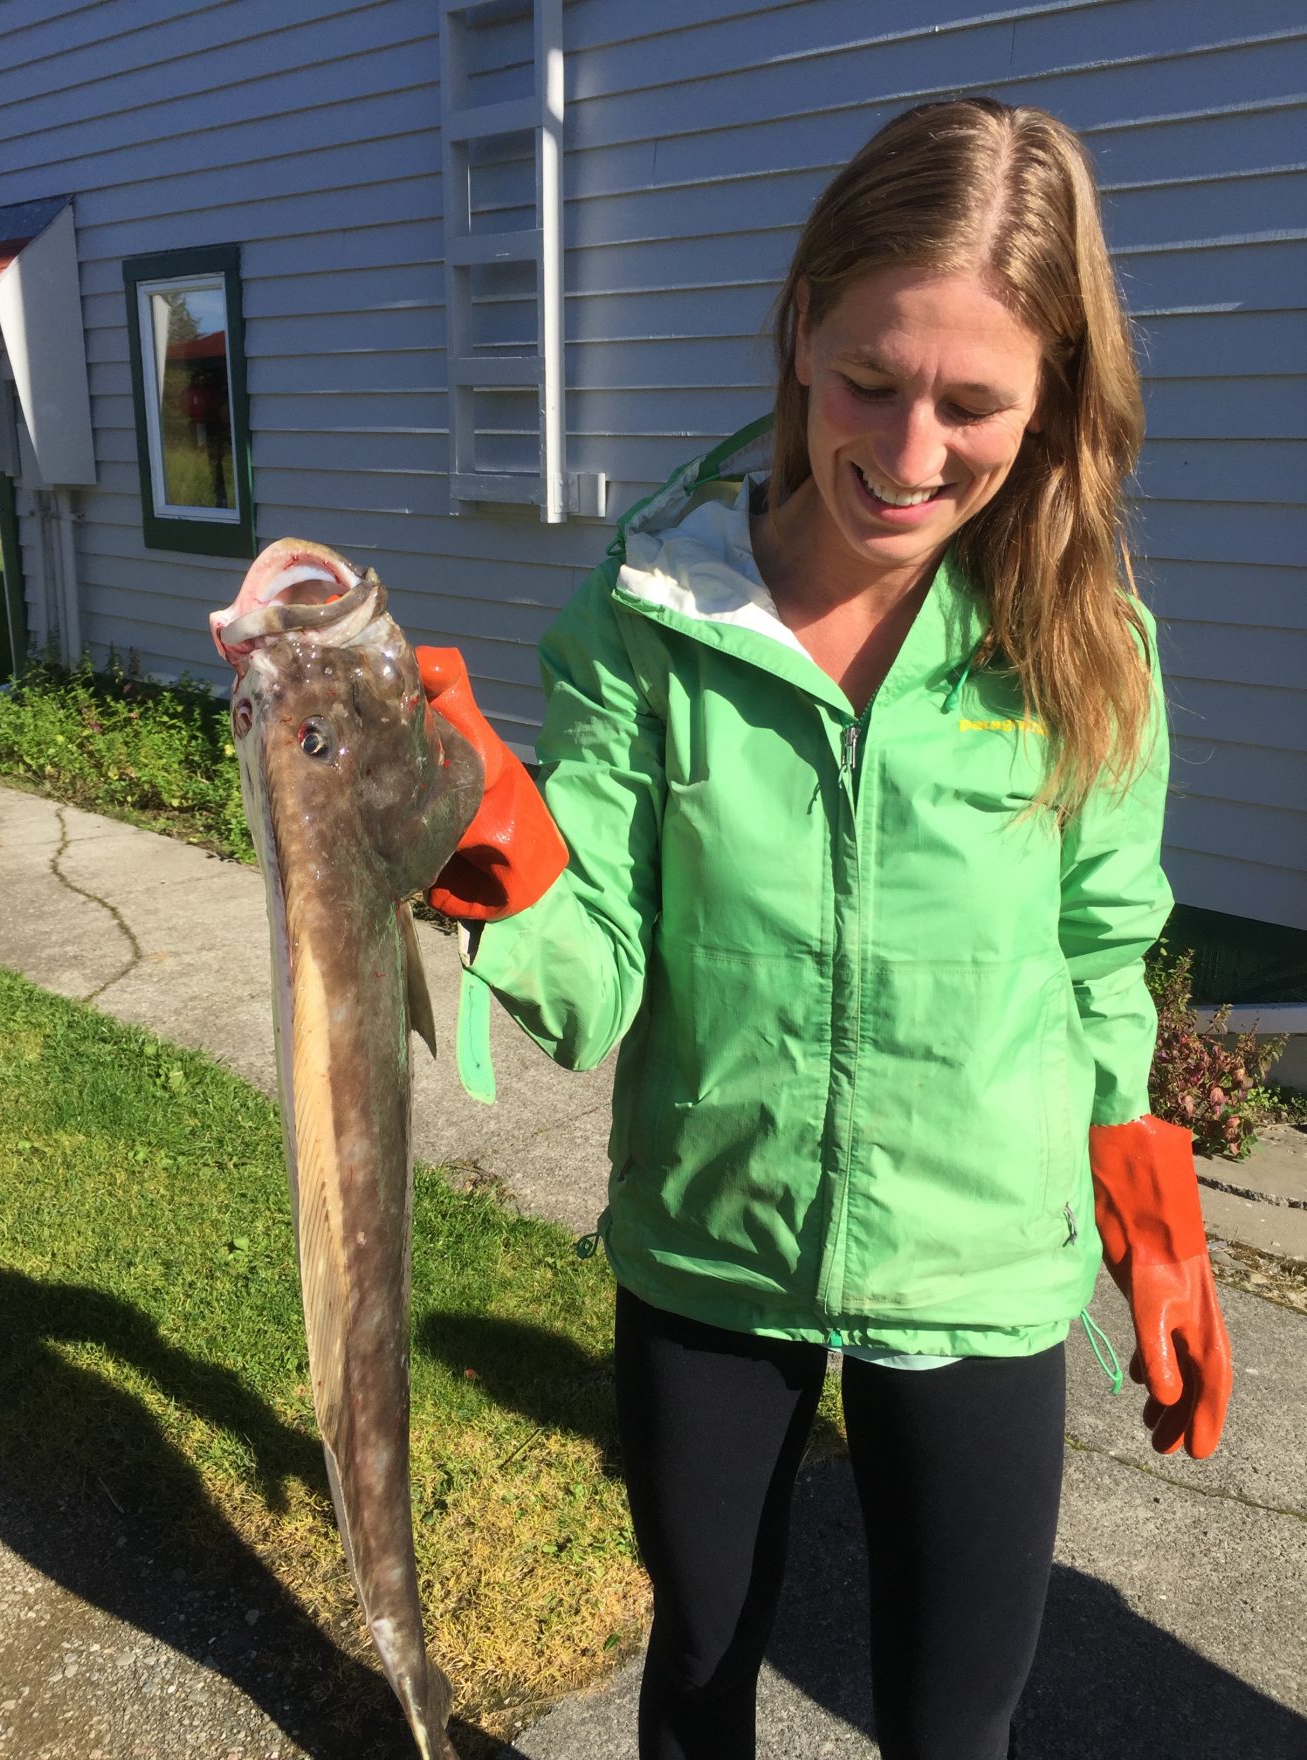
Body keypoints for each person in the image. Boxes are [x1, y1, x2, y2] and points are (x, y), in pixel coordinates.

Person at [415, 97, 1233, 1760]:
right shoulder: (650, 620)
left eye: (974, 403)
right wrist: (488, 847)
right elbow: (600, 981)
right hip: (713, 1249)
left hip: (983, 1271)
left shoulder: (1087, 648)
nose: (912, 454)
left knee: (953, 1729)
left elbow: (1098, 958)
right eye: (871, 378)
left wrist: (1151, 1216)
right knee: (701, 1671)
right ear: (799, 329)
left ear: (1054, 397)